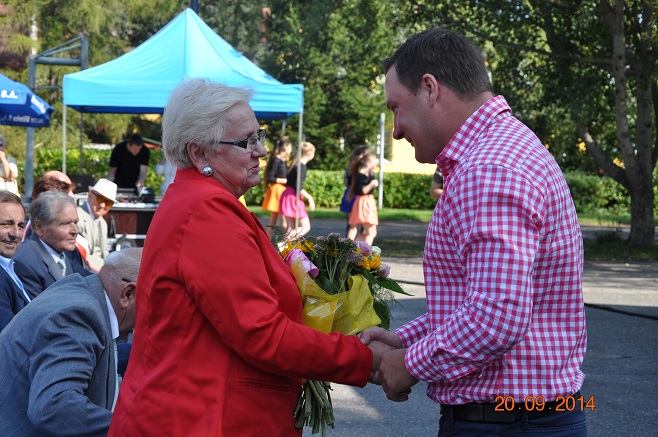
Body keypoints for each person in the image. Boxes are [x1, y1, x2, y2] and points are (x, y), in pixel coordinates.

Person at [109, 79, 389, 436]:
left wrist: (325, 267)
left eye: (259, 136)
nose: (261, 151)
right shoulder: (206, 210)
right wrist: (368, 358)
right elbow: (262, 333)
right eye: (247, 142)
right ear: (200, 154)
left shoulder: (200, 200)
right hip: (200, 418)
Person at [360, 28, 587, 436]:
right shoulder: (503, 149)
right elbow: (477, 302)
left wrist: (408, 363)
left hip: (506, 423)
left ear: (430, 89)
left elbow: (496, 315)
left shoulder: (487, 169)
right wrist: (406, 341)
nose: (395, 129)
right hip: (524, 418)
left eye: (396, 107)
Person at [0, 248, 142, 437]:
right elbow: (54, 406)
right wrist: (136, 429)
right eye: (159, 300)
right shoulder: (81, 314)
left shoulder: (87, 292)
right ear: (128, 294)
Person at [14, 190, 92, 299]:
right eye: (65, 224)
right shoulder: (24, 263)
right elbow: (41, 308)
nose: (75, 231)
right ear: (40, 227)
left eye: (75, 222)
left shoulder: (67, 251)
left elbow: (90, 281)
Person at [0, 190, 29, 332]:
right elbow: (8, 337)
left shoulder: (13, 266)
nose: (15, 234)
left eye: (20, 226)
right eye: (7, 224)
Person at [278, 141, 316, 238]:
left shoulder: (294, 164)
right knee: (305, 226)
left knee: (290, 227)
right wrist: (309, 197)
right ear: (309, 153)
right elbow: (297, 186)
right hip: (293, 197)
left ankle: (286, 244)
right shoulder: (302, 167)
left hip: (287, 195)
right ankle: (284, 242)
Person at [77, 178, 117, 268]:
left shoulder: (103, 223)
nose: (102, 205)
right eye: (100, 199)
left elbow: (104, 253)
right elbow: (77, 255)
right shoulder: (77, 217)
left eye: (108, 203)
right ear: (89, 195)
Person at [346, 149, 379, 245]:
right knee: (370, 232)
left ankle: (351, 247)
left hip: (365, 202)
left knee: (366, 232)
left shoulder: (366, 174)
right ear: (368, 163)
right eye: (374, 164)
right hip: (365, 203)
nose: (375, 166)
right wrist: (372, 184)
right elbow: (361, 191)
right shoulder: (361, 176)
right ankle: (365, 252)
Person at [261, 138, 291, 239]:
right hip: (278, 190)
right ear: (285, 147)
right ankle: (284, 242)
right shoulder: (276, 160)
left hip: (282, 190)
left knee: (274, 219)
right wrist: (284, 180)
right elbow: (270, 177)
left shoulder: (284, 160)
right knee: (283, 218)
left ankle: (267, 240)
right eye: (290, 147)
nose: (291, 149)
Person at [340, 145, 369, 236]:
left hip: (349, 193)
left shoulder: (350, 166)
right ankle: (362, 243)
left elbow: (345, 182)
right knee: (364, 225)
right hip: (360, 196)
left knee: (351, 225)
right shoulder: (364, 169)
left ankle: (348, 243)